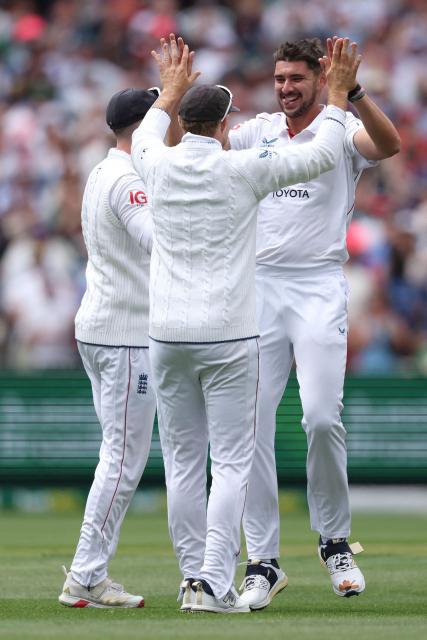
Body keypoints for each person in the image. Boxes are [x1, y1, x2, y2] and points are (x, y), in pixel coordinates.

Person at [131, 34, 361, 613]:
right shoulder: (242, 170)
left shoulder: (152, 161)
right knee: (233, 459)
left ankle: (194, 580)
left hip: (166, 335)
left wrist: (172, 92)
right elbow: (323, 154)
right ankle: (220, 576)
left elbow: (142, 133)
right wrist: (338, 96)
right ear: (227, 121)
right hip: (229, 331)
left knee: (187, 465)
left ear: (180, 121)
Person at [228, 37, 401, 608]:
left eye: (295, 79)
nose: (285, 88)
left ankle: (334, 543)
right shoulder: (259, 130)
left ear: (316, 78)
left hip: (319, 286)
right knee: (248, 425)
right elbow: (208, 147)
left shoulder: (339, 128)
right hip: (260, 288)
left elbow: (389, 143)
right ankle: (262, 560)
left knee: (322, 418)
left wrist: (352, 94)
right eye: (279, 78)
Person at [58, 86, 159, 608]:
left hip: (104, 326)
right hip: (124, 335)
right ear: (141, 128)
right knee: (121, 461)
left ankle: (89, 573)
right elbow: (159, 243)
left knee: (118, 457)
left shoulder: (104, 169)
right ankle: (85, 575)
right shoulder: (128, 179)